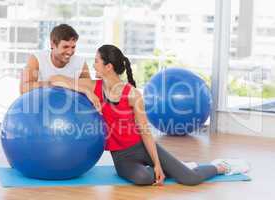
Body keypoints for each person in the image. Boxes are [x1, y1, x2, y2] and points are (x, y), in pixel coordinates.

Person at [49, 44, 250, 186]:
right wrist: (85, 91)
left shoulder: (132, 94)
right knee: (144, 179)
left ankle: (221, 166)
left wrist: (157, 164)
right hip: (121, 157)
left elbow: (145, 132)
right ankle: (176, 167)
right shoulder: (95, 86)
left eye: (96, 62)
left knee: (190, 179)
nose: (94, 66)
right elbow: (54, 79)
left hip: (142, 147)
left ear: (108, 66)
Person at [20, 24, 90, 94]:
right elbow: (23, 88)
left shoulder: (80, 63)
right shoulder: (37, 59)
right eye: (65, 47)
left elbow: (90, 89)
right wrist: (52, 83)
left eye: (73, 47)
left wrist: (64, 83)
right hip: (42, 102)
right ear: (52, 45)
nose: (70, 52)